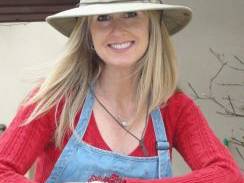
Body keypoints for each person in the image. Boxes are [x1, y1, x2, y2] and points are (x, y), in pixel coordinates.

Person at [0, 0, 243, 183]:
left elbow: (227, 175)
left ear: (152, 26)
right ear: (88, 33)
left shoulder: (174, 108)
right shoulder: (53, 100)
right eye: (103, 17)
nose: (117, 29)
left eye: (131, 14)